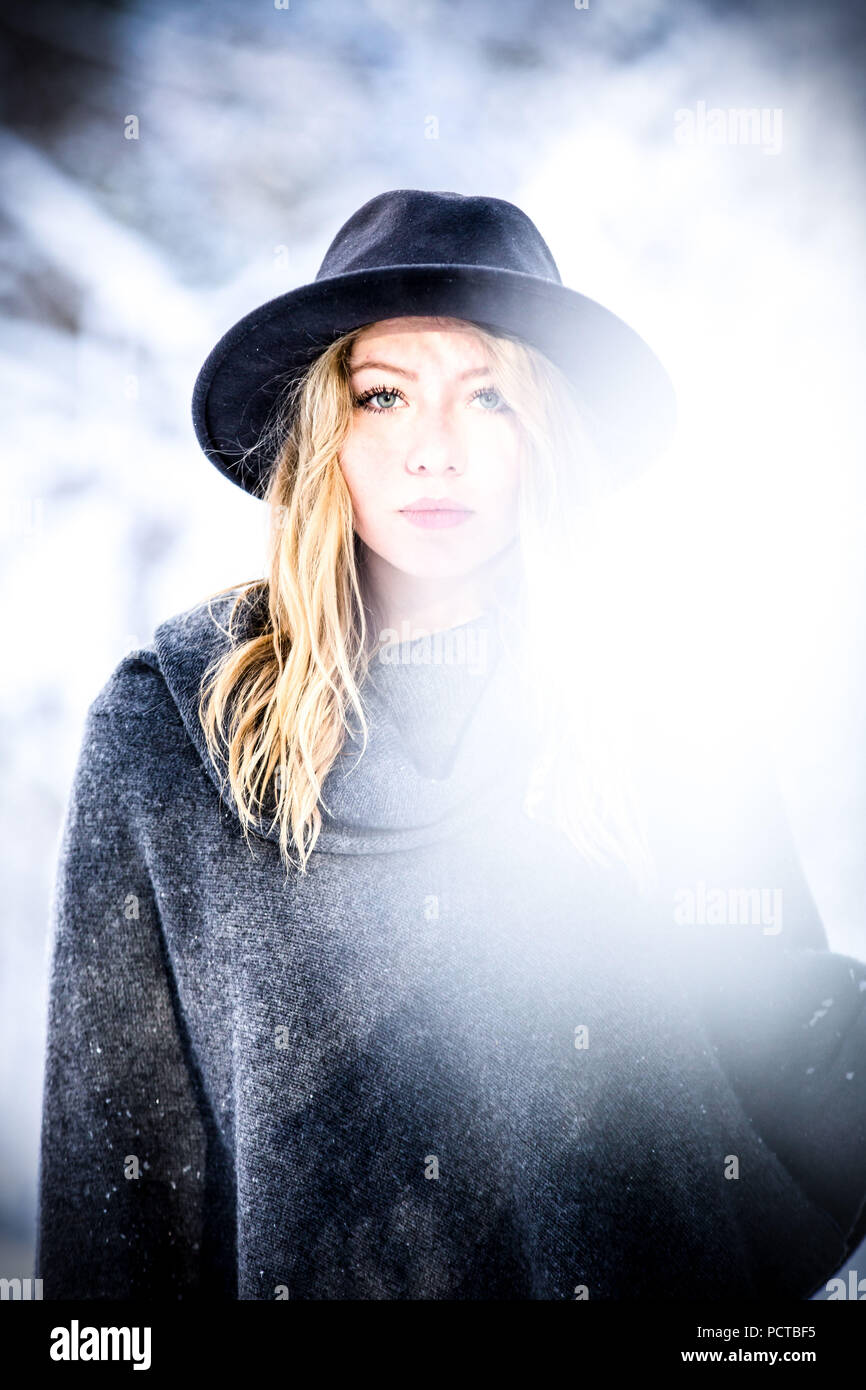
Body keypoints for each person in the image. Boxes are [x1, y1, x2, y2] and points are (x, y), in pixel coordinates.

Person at [35, 189, 866, 1300]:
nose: (434, 452)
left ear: (547, 431)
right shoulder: (168, 733)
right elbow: (113, 1194)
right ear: (324, 428)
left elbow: (786, 1056)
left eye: (488, 399)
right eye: (383, 396)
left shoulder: (665, 712)